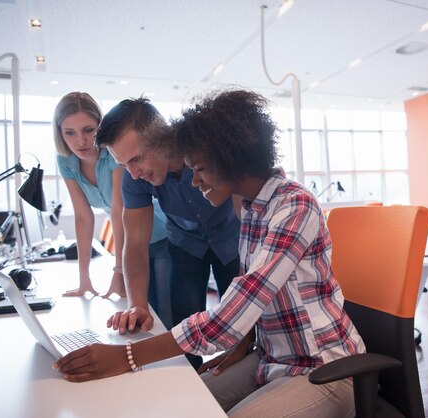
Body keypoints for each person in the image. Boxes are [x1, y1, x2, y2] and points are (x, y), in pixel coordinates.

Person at [54, 90, 365, 418]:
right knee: (178, 405)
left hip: (324, 366)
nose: (194, 180)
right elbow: (255, 302)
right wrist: (245, 343)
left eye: (200, 168)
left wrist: (128, 356)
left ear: (231, 158)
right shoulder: (252, 209)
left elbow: (232, 314)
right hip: (271, 359)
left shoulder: (293, 207)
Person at [92, 96, 241, 368]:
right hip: (185, 245)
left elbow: (246, 207)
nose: (134, 174)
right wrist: (137, 304)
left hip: (232, 238)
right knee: (183, 320)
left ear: (164, 137)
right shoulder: (134, 179)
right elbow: (135, 245)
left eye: (136, 159)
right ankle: (192, 385)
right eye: (124, 165)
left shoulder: (206, 151)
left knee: (242, 317)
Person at [53, 93, 171, 326]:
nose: (81, 141)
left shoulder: (114, 155)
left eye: (88, 130)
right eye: (70, 133)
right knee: (139, 313)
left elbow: (119, 210)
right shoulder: (66, 161)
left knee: (162, 315)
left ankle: (179, 362)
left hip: (158, 234)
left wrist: (118, 271)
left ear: (100, 125)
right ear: (60, 134)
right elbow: (83, 216)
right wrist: (83, 277)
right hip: (129, 242)